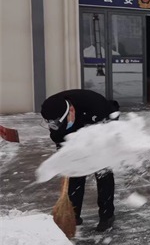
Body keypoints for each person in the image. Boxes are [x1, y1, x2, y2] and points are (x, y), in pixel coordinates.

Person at [40, 89, 120, 232]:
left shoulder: (96, 107)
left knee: (102, 172)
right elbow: (59, 137)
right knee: (75, 172)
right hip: (78, 124)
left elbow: (103, 139)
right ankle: (73, 215)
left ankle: (107, 215)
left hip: (101, 126)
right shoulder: (53, 110)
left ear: (71, 110)